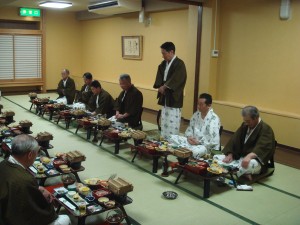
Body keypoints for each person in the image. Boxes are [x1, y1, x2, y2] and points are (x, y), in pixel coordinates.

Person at [0, 134, 70, 225]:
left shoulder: (4, 163)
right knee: (65, 219)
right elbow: (37, 213)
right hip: (8, 220)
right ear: (30, 155)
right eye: (37, 152)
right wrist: (49, 206)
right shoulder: (24, 180)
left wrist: (38, 188)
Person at [215, 106, 276, 179]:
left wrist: (249, 156)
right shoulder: (244, 125)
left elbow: (263, 147)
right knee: (216, 158)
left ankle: (238, 171)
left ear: (256, 118)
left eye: (248, 121)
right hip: (239, 157)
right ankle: (242, 172)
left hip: (254, 160)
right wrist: (230, 154)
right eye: (245, 121)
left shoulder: (265, 129)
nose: (246, 123)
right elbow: (235, 140)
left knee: (250, 164)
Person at [169, 93, 220, 159]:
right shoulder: (196, 115)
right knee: (172, 138)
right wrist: (189, 137)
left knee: (195, 151)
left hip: (204, 146)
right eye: (198, 104)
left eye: (201, 104)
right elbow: (190, 129)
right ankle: (185, 151)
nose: (198, 106)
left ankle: (185, 153)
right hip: (192, 142)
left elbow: (214, 141)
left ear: (209, 105)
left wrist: (199, 142)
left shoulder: (214, 119)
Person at [153, 42, 187, 140]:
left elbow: (178, 79)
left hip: (173, 96)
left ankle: (172, 140)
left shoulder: (179, 64)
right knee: (164, 120)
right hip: (165, 96)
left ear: (171, 52)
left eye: (164, 53)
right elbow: (160, 76)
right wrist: (160, 87)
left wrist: (165, 87)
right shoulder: (164, 63)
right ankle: (164, 138)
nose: (162, 56)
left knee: (173, 120)